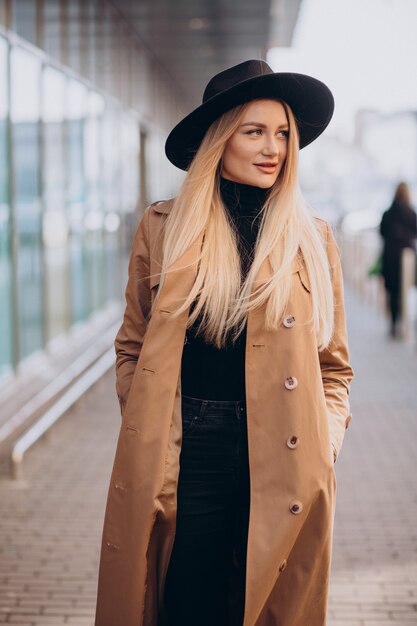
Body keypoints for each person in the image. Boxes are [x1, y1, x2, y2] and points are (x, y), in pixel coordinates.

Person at [94, 59, 354, 626]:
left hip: (286, 447)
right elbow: (132, 344)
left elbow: (334, 368)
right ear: (220, 139)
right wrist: (144, 426)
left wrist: (323, 445)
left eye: (283, 133)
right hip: (190, 446)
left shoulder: (314, 238)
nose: (274, 148)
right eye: (254, 131)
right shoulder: (165, 226)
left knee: (263, 604)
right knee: (186, 597)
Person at [379, 181, 417, 337]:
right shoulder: (411, 213)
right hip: (407, 255)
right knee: (405, 290)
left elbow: (381, 232)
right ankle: (405, 322)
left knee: (393, 291)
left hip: (390, 256)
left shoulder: (388, 213)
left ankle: (394, 323)